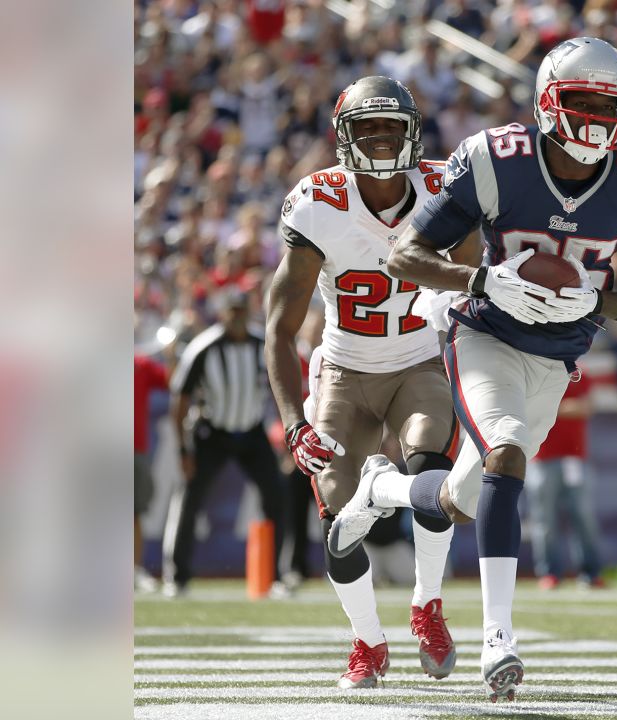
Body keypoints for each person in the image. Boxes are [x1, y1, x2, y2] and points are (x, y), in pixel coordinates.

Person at [325, 38, 617, 702]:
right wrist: (483, 278)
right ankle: (499, 639)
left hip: (560, 352)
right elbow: (406, 255)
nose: (596, 120)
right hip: (484, 333)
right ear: (548, 101)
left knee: (461, 498)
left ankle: (383, 490)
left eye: (609, 107)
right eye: (580, 103)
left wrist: (598, 299)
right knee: (507, 455)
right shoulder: (497, 160)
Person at [264, 76, 474, 690]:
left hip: (418, 361)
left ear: (413, 132)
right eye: (368, 127)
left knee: (431, 473)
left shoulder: (446, 189)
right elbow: (279, 331)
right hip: (344, 369)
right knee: (336, 514)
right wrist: (294, 424)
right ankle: (368, 642)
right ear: (344, 137)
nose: (381, 138)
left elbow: (471, 288)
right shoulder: (318, 202)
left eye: (391, 126)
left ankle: (427, 605)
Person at [162, 290, 285, 598]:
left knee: (277, 498)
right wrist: (183, 449)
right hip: (212, 433)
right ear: (222, 313)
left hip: (252, 431)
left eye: (241, 309)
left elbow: (280, 387)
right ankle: (177, 576)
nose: (237, 316)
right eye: (231, 310)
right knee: (190, 500)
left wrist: (283, 431)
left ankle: (278, 576)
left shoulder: (262, 344)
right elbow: (181, 399)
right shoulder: (204, 347)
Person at [526, 369, 604, 589]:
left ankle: (590, 573)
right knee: (544, 521)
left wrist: (551, 408)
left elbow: (586, 407)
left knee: (584, 517)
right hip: (540, 458)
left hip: (574, 459)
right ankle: (549, 573)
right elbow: (531, 408)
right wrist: (566, 407)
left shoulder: (581, 375)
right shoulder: (537, 371)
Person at [135, 349, 169, 593]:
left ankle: (134, 569)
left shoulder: (140, 364)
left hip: (133, 449)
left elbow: (172, 380)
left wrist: (172, 354)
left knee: (133, 513)